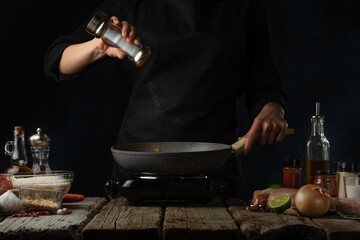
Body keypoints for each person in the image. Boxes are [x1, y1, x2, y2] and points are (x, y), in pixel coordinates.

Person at [44, 0, 287, 197]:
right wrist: (99, 47)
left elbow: (266, 85)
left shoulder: (242, 5)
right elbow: (58, 60)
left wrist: (272, 111)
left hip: (214, 168)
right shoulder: (128, 3)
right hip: (139, 167)